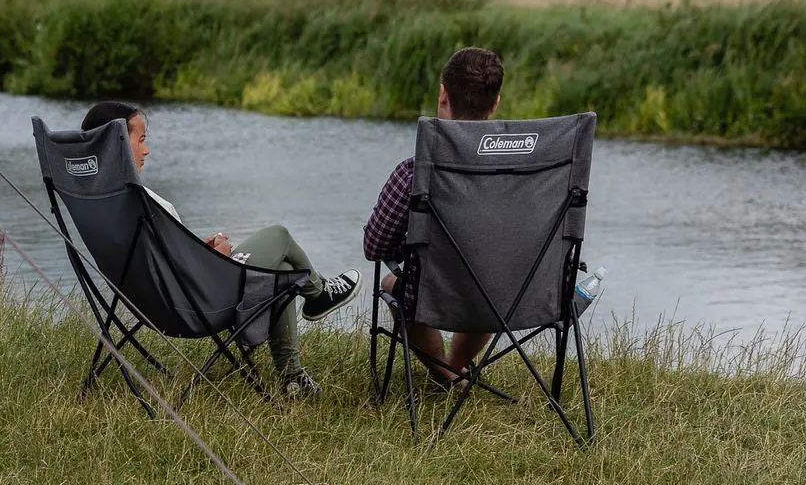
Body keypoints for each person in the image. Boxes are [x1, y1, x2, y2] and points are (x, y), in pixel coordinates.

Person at [80, 101, 360, 398]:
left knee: (284, 271)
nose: (146, 150)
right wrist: (220, 254)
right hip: (199, 303)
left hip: (150, 304)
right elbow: (184, 270)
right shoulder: (142, 200)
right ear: (118, 143)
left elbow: (163, 259)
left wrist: (199, 247)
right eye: (142, 140)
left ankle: (293, 379)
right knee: (279, 236)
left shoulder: (98, 201)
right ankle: (318, 294)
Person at [362, 46, 503, 391]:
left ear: (443, 95)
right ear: (496, 102)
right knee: (494, 276)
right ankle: (453, 372)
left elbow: (374, 245)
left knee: (392, 285)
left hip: (433, 296)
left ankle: (445, 373)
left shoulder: (415, 173)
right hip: (511, 294)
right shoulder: (531, 174)